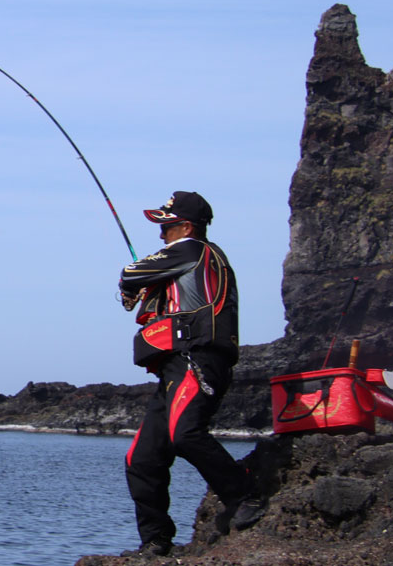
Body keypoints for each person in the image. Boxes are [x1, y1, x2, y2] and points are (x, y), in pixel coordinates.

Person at [116, 191, 264, 557]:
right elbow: (147, 288)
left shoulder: (193, 249)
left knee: (186, 435)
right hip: (175, 367)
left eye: (166, 226)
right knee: (142, 459)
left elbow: (130, 272)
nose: (161, 234)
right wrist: (138, 291)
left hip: (197, 360)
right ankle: (155, 540)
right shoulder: (193, 260)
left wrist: (130, 284)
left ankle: (245, 495)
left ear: (185, 226)